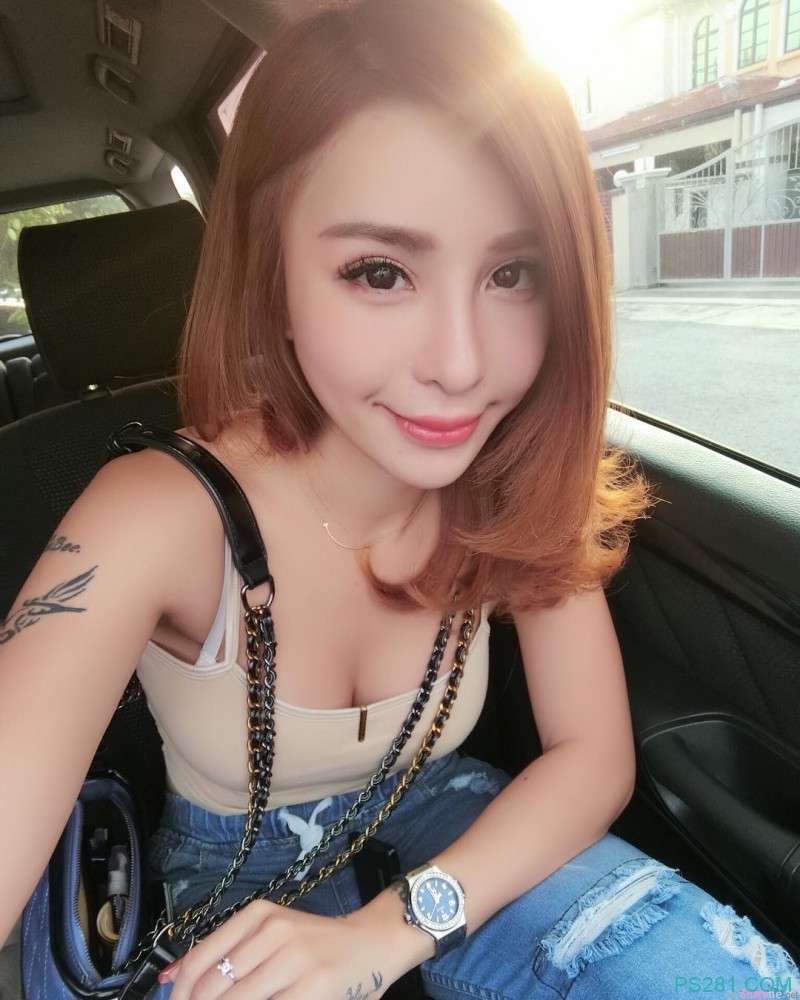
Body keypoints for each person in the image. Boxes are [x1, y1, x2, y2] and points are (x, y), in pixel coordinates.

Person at [2, 0, 798, 997]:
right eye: (379, 272)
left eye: (513, 272)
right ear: (271, 273)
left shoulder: (513, 472)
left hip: (454, 818)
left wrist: (396, 928)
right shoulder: (155, 512)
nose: (460, 365)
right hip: (225, 864)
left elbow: (592, 755)